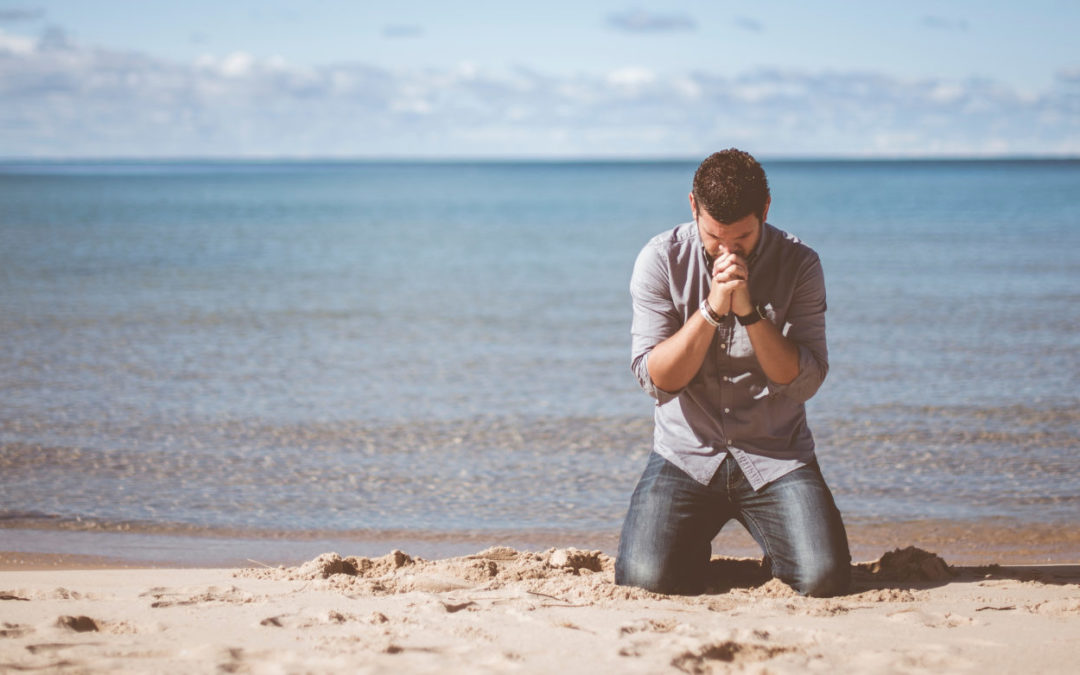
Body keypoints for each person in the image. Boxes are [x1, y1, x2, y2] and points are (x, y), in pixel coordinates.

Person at [615, 148, 851, 597]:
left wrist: (748, 313)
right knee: (642, 582)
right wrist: (710, 310)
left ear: (765, 210)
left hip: (776, 455)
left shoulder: (800, 263)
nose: (727, 251)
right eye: (714, 236)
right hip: (685, 454)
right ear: (693, 208)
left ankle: (778, 543)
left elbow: (804, 382)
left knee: (823, 580)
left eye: (741, 238)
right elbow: (655, 379)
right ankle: (687, 547)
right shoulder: (661, 259)